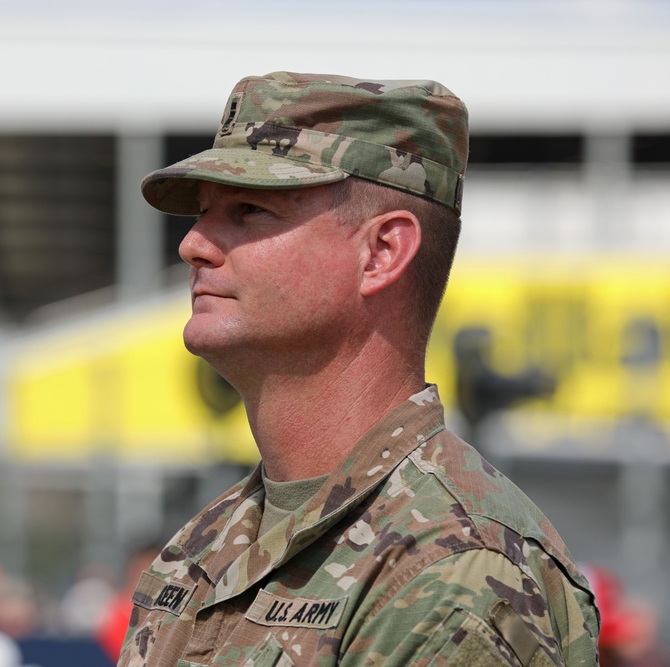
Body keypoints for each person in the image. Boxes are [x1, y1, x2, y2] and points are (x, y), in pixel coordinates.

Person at [118, 72, 600, 666]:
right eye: (203, 213)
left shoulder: (451, 570)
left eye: (249, 210)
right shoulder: (199, 551)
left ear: (383, 253)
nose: (194, 243)